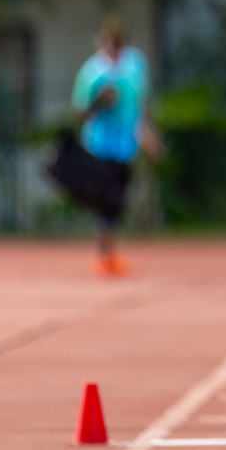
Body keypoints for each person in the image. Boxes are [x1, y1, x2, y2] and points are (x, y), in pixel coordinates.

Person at [65, 15, 162, 277]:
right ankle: (104, 255)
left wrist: (148, 134)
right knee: (108, 199)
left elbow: (140, 106)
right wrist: (99, 101)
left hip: (125, 146)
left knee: (118, 199)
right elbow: (79, 112)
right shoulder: (92, 72)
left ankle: (109, 253)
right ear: (101, 42)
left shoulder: (135, 65)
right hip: (99, 145)